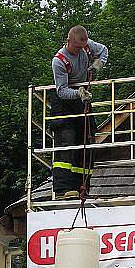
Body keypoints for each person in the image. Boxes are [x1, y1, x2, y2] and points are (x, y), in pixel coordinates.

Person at [50, 25, 108, 199]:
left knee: (87, 138)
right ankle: (62, 189)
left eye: (82, 48)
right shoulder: (59, 60)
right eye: (76, 47)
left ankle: (82, 186)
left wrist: (97, 65)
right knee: (67, 139)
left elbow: (104, 50)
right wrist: (78, 93)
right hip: (64, 101)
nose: (80, 51)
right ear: (69, 41)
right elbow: (61, 90)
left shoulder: (87, 46)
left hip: (82, 98)